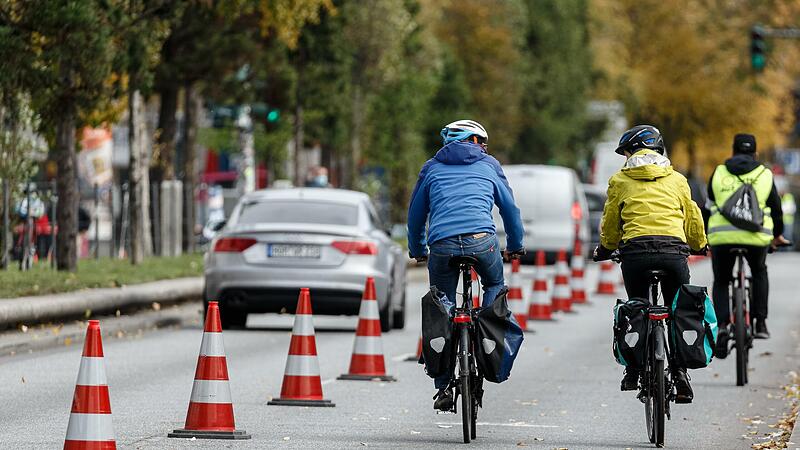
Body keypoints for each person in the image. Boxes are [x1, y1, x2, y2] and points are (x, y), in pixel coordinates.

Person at [407, 119, 524, 411]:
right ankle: (487, 330)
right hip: (482, 242)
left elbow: (416, 215)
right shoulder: (489, 165)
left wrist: (417, 249)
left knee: (441, 301)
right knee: (494, 284)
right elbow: (509, 209)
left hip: (442, 244)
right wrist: (515, 244)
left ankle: (443, 384)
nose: (484, 148)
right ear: (472, 141)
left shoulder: (431, 167)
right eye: (482, 142)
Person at [594, 125, 707, 404]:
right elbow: (692, 216)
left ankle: (633, 370)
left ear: (632, 152)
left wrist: (606, 248)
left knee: (637, 307)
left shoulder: (620, 180)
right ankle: (680, 373)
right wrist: (699, 244)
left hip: (636, 253)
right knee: (677, 309)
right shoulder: (677, 179)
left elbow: (611, 220)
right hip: (673, 252)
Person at [706, 134, 788, 351]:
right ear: (755, 153)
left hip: (721, 237)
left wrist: (705, 236)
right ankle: (760, 323)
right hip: (756, 236)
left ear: (732, 151)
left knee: (721, 279)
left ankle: (722, 325)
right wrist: (777, 235)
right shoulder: (764, 174)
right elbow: (776, 210)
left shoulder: (719, 172)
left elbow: (707, 207)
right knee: (759, 271)